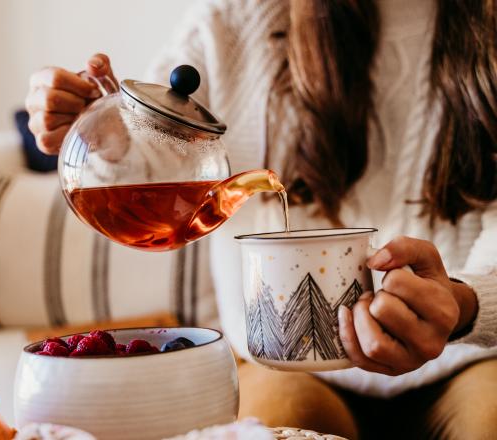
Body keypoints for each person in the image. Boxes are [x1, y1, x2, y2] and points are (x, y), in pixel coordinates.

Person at [25, 0, 497, 438]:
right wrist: (95, 131)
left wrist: (465, 301)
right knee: (274, 419)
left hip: (469, 357)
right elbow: (148, 150)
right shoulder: (237, 19)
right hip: (280, 367)